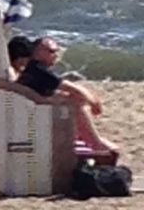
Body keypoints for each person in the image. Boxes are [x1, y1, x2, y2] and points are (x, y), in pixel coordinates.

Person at [15, 35, 117, 163]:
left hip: (32, 109)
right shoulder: (37, 69)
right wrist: (93, 102)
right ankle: (94, 142)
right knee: (74, 102)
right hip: (33, 114)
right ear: (38, 52)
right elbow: (70, 87)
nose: (56, 55)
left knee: (72, 100)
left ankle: (88, 137)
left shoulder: (35, 69)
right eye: (51, 51)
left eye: (57, 51)